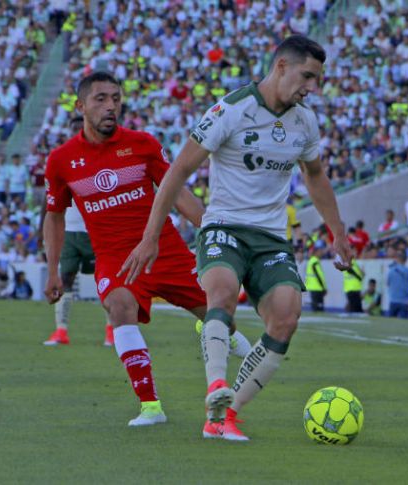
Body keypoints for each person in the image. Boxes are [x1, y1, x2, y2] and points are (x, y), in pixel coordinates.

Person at [119, 35, 354, 441]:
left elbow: (315, 176)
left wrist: (339, 231)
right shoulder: (231, 109)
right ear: (281, 66)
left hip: (269, 236)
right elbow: (177, 172)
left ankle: (225, 415)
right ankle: (214, 385)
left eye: (317, 80)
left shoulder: (305, 122)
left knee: (286, 314)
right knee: (222, 292)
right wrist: (150, 237)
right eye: (307, 76)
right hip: (223, 226)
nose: (312, 87)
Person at [43, 72, 252, 428]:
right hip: (116, 260)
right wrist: (51, 271)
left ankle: (248, 366)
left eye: (116, 98)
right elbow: (54, 216)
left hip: (165, 251)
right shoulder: (62, 160)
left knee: (220, 315)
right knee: (119, 307)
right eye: (101, 99)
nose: (111, 106)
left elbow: (175, 191)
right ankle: (150, 406)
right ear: (80, 106)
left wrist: (211, 227)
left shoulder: (142, 144)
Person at [40, 116, 113, 347]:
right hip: (69, 230)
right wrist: (41, 227)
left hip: (96, 229)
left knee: (107, 279)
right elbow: (50, 198)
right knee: (65, 279)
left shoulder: (101, 157)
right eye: (73, 129)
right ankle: (61, 331)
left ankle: (111, 331)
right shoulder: (60, 159)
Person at [386, 251, 408, 319]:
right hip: (405, 300)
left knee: (391, 321)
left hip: (393, 299)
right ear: (406, 260)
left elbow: (388, 283)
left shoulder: (391, 270)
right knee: (404, 323)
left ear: (397, 259)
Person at [305, 245, 327, 311]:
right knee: (319, 308)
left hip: (312, 287)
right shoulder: (315, 262)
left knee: (315, 307)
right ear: (316, 252)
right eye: (320, 251)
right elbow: (319, 276)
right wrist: (323, 288)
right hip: (317, 288)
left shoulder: (310, 261)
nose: (321, 253)